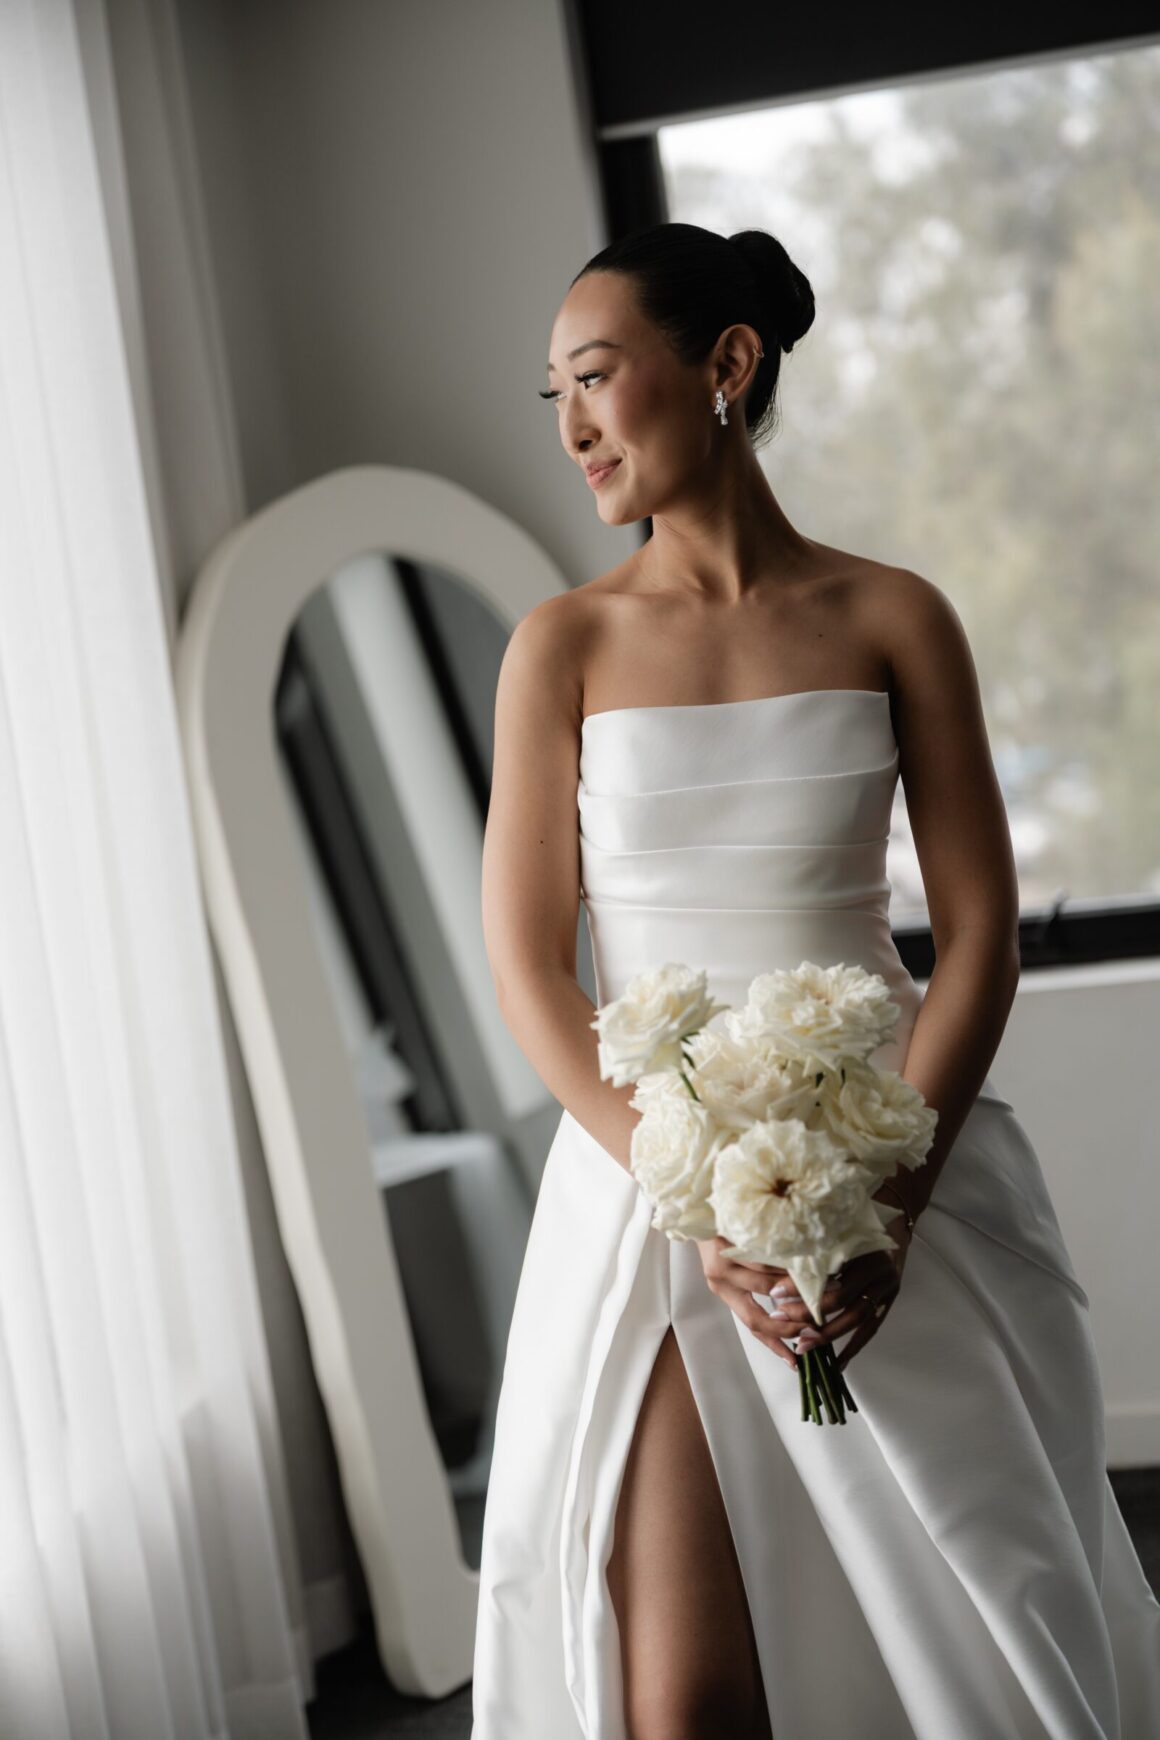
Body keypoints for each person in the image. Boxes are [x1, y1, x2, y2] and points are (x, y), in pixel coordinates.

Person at [471, 221, 1160, 1740]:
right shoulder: (562, 644)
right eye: (555, 397)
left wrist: (882, 1201)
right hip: (647, 1195)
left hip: (888, 1150)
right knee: (682, 1699)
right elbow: (527, 963)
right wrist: (693, 1188)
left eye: (597, 377)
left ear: (724, 367)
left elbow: (975, 930)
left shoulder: (892, 616)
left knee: (967, 1643)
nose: (575, 425)